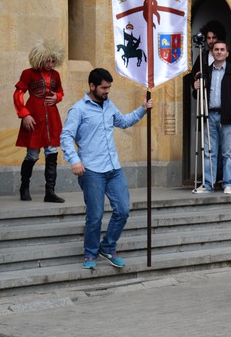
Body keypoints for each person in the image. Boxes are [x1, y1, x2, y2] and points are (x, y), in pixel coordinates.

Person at [60, 68, 153, 270]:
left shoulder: (109, 106)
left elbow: (123, 122)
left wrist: (143, 108)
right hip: (91, 170)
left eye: (109, 88)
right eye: (104, 88)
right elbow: (66, 136)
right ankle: (90, 254)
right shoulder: (79, 110)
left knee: (123, 209)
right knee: (95, 215)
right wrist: (75, 160)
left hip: (113, 168)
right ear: (92, 86)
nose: (107, 91)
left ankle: (108, 247)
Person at [193, 40, 231, 194]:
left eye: (222, 49)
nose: (219, 52)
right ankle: (208, 185)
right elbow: (197, 95)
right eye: (216, 49)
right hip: (209, 115)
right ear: (212, 53)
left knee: (228, 152)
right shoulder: (206, 72)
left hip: (228, 117)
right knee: (209, 151)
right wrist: (195, 87)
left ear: (227, 53)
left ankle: (228, 183)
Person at [13, 39, 66, 203]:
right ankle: (24, 187)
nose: (50, 63)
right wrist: (24, 114)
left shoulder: (56, 75)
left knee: (52, 154)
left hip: (52, 117)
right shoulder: (28, 73)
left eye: (53, 60)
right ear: (39, 58)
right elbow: (18, 94)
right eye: (47, 60)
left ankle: (50, 192)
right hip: (34, 118)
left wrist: (57, 97)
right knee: (32, 155)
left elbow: (61, 92)